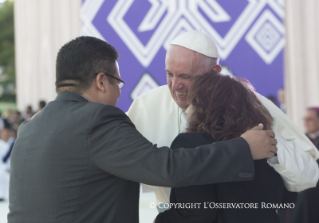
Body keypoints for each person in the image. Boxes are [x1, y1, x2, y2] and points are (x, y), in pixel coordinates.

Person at [8, 36, 276, 223]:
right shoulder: (96, 118)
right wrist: (243, 148)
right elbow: (165, 168)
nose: (118, 95)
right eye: (118, 84)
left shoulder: (29, 129)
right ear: (102, 81)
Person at [127, 30, 319, 206]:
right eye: (169, 74)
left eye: (186, 76)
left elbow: (308, 175)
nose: (175, 86)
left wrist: (272, 148)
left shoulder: (249, 103)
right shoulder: (146, 105)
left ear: (215, 72)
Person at [155, 72, 284, 223]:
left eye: (192, 101)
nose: (187, 108)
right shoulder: (263, 145)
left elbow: (194, 215)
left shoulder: (191, 144)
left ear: (203, 107)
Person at [290, 107, 319, 223]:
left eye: (310, 119)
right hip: (303, 191)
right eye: (304, 119)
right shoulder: (299, 140)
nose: (306, 122)